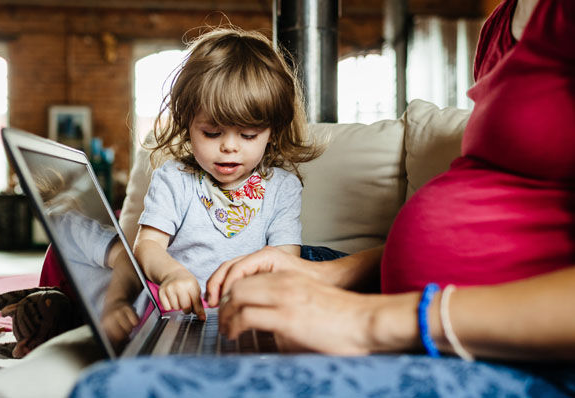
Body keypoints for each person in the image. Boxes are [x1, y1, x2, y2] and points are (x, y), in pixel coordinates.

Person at [204, 0, 575, 361]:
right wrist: (330, 276)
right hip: (424, 337)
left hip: (511, 358)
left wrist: (367, 320)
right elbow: (515, 226)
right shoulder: (501, 25)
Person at [132, 27, 321, 319]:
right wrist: (171, 274)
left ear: (271, 132)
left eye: (247, 135)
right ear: (187, 124)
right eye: (211, 133)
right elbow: (148, 245)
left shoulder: (283, 187)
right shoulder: (175, 178)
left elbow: (285, 259)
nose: (229, 147)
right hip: (181, 311)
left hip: (247, 313)